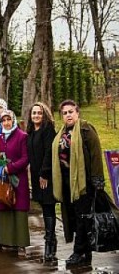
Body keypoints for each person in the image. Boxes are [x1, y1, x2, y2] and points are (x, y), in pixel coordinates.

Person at [52, 100, 105, 267]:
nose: (68, 115)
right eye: (65, 113)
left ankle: (78, 251)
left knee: (83, 216)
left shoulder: (85, 129)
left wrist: (97, 180)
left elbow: (96, 154)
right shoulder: (61, 132)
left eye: (70, 112)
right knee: (75, 217)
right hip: (67, 182)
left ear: (77, 113)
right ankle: (85, 252)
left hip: (84, 182)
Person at [26, 102, 58, 263]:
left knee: (48, 207)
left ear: (44, 114)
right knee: (44, 207)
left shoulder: (47, 130)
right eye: (34, 113)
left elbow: (49, 152)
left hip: (46, 176)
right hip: (36, 176)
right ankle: (50, 240)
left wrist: (44, 173)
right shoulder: (31, 132)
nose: (36, 115)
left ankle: (50, 243)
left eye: (39, 113)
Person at [0, 109, 30, 252]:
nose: (6, 123)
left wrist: (11, 167)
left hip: (18, 179)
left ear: (13, 120)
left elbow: (25, 158)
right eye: (3, 120)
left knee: (19, 208)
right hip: (3, 178)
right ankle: (7, 240)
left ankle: (20, 241)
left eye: (8, 119)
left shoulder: (22, 136)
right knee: (5, 205)